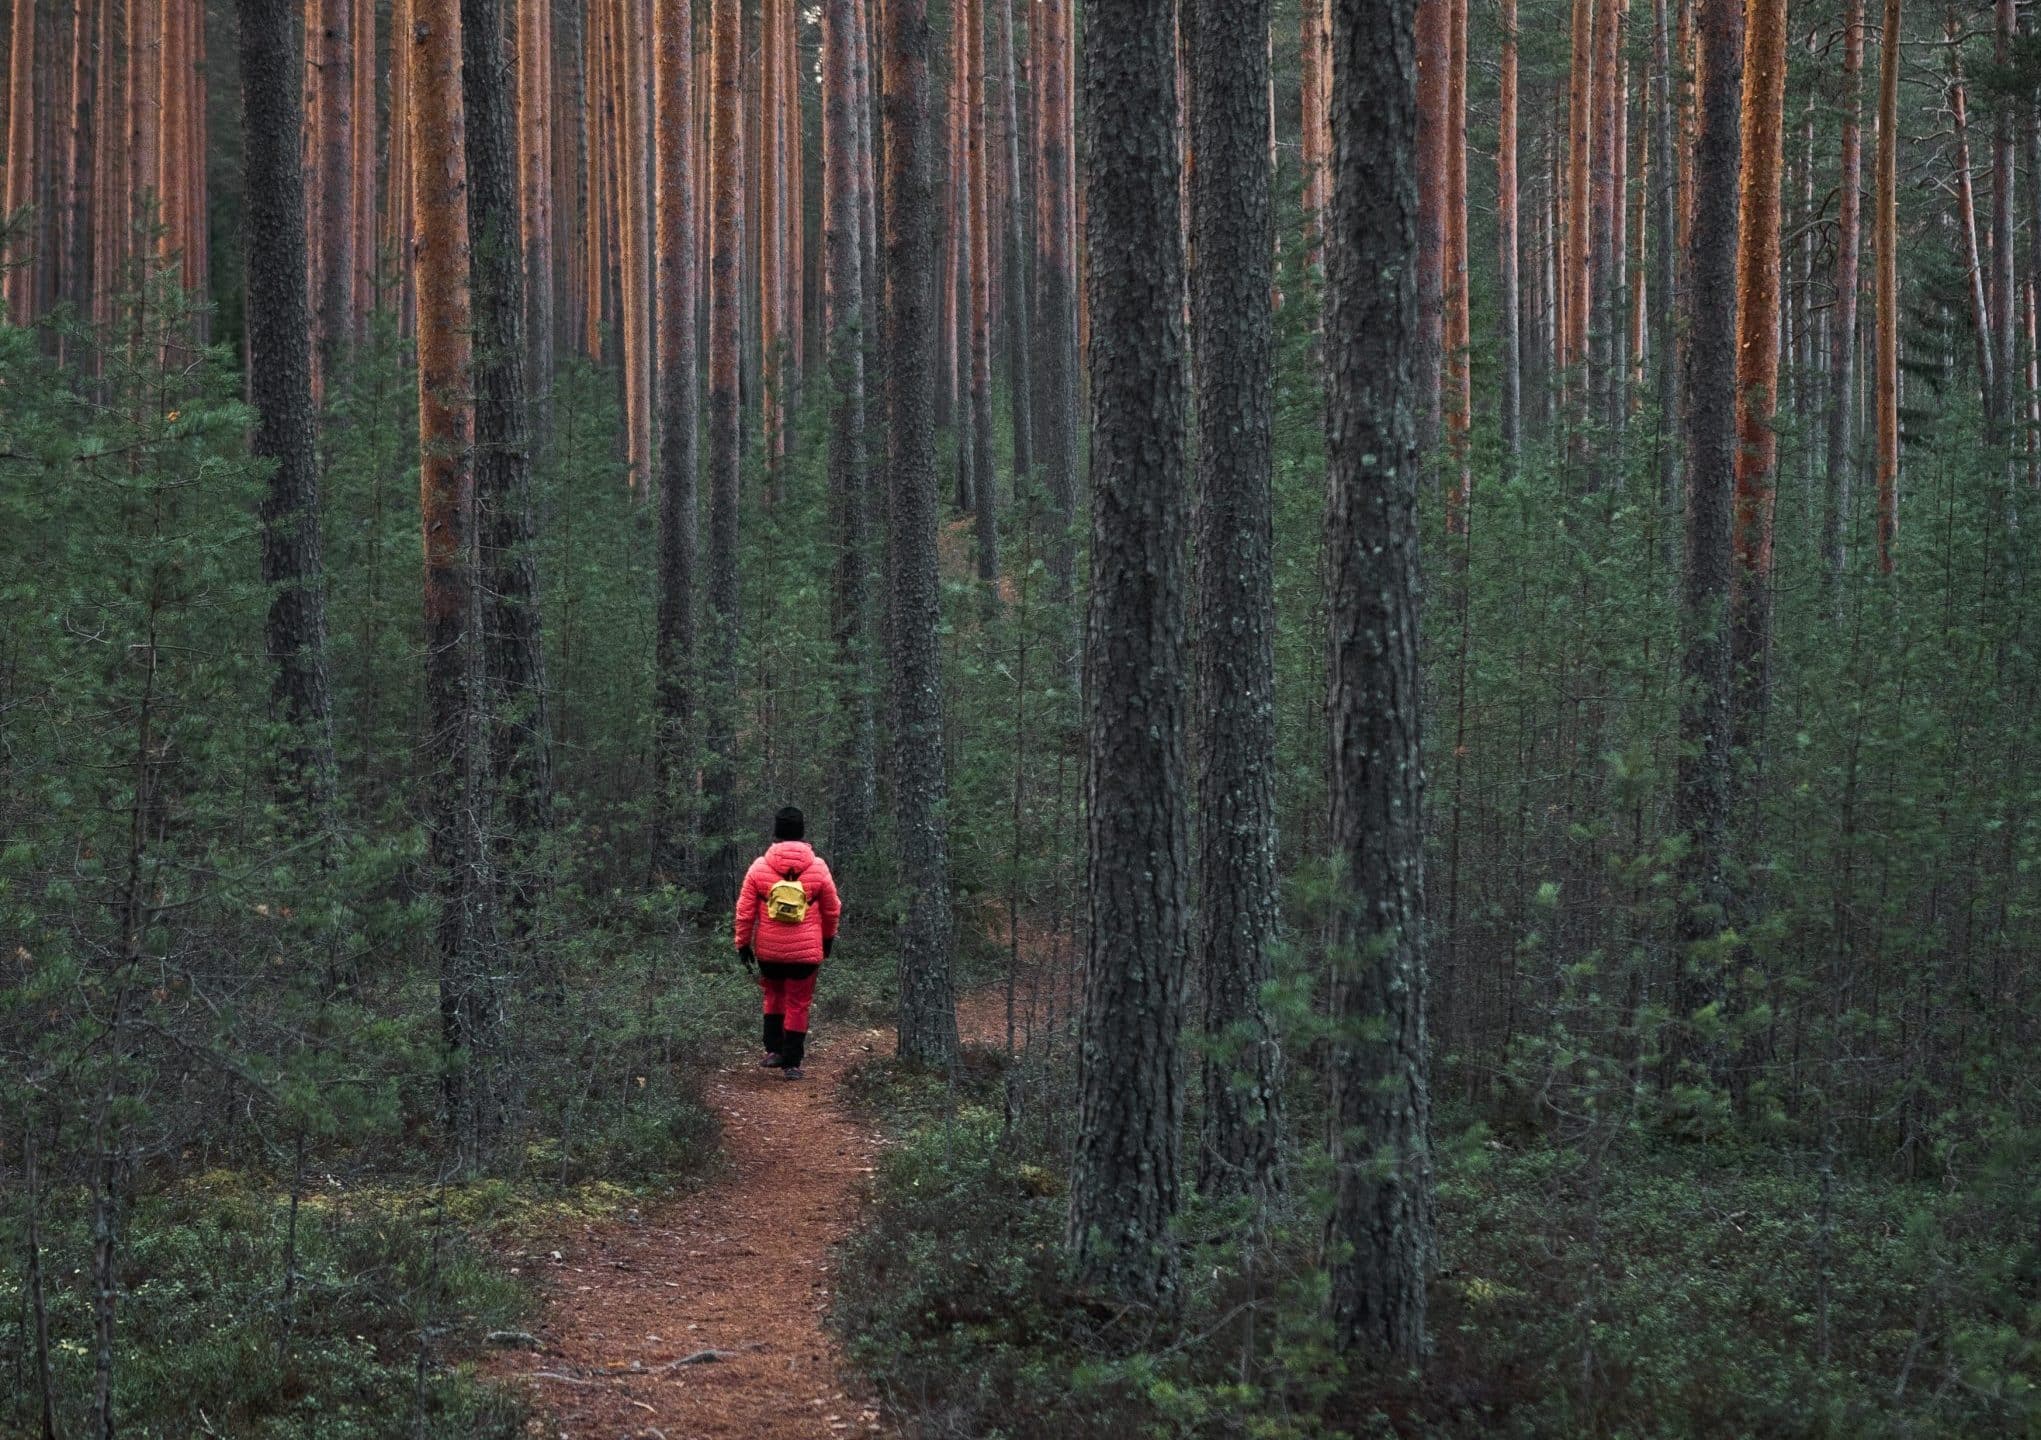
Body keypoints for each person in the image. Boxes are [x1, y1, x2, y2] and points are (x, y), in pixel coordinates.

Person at [734, 806, 842, 1080]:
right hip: (805, 954)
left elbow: (745, 911)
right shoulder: (818, 867)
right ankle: (792, 1063)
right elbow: (832, 909)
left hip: (769, 952)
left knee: (773, 995)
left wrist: (742, 944)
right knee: (798, 1002)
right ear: (802, 832)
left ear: (776, 832)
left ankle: (773, 1051)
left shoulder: (759, 867)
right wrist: (827, 939)